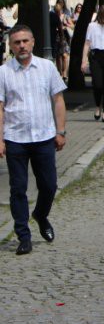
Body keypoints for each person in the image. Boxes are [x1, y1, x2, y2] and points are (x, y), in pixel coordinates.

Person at [1, 25, 66, 255]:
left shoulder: (47, 67)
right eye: (17, 42)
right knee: (18, 189)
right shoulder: (4, 72)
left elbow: (58, 100)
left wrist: (61, 131)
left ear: (33, 42)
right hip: (15, 138)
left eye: (25, 41)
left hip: (44, 136)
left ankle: (40, 214)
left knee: (49, 185)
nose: (22, 46)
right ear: (10, 45)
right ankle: (23, 236)